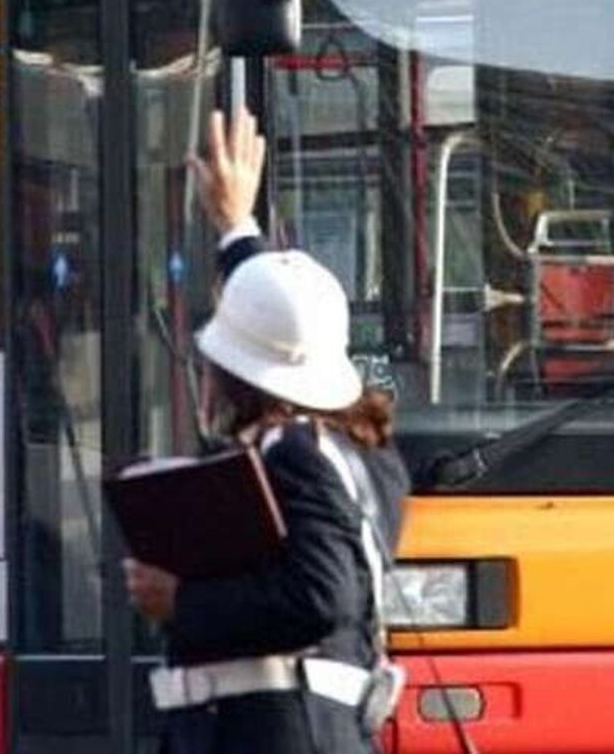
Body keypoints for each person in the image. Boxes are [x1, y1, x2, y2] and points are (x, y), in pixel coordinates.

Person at [123, 108, 410, 754]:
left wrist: (182, 600)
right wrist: (236, 228)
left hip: (275, 734)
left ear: (238, 376)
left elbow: (321, 593)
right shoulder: (368, 453)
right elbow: (287, 323)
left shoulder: (292, 454)